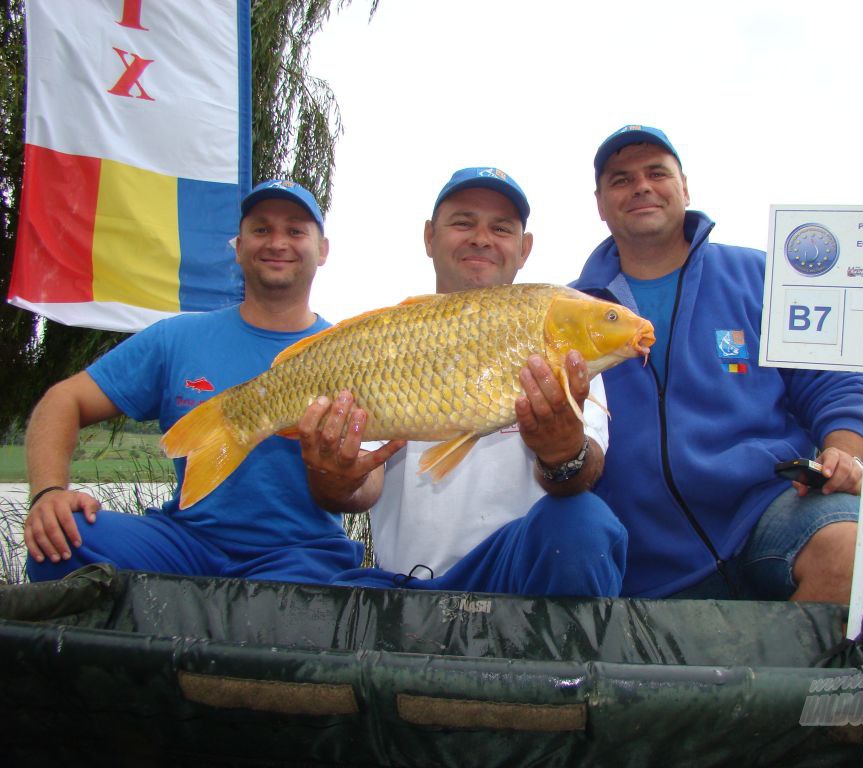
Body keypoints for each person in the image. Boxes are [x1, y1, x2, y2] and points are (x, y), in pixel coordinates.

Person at [22, 179, 402, 584]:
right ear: (238, 247)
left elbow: (369, 485)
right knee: (58, 543)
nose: (277, 242)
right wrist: (48, 493)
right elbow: (63, 399)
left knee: (293, 611)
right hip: (184, 542)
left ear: (322, 249)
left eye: (295, 230)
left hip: (301, 551)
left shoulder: (359, 350)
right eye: (261, 229)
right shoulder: (175, 338)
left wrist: (345, 478)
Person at [572, 125, 863, 603]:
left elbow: (833, 379)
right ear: (599, 203)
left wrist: (845, 453)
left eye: (657, 172)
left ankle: (804, 682)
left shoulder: (762, 275)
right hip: (636, 553)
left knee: (851, 544)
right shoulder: (567, 310)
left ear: (684, 187)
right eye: (620, 179)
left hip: (768, 512)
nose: (641, 186)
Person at [333, 167, 627, 597]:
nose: (481, 238)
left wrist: (562, 453)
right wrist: (335, 477)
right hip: (408, 582)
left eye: (501, 228)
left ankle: (560, 662)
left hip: (516, 572)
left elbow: (585, 471)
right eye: (463, 222)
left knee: (585, 521)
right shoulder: (385, 343)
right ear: (430, 237)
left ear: (524, 248)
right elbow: (362, 482)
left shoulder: (563, 344)